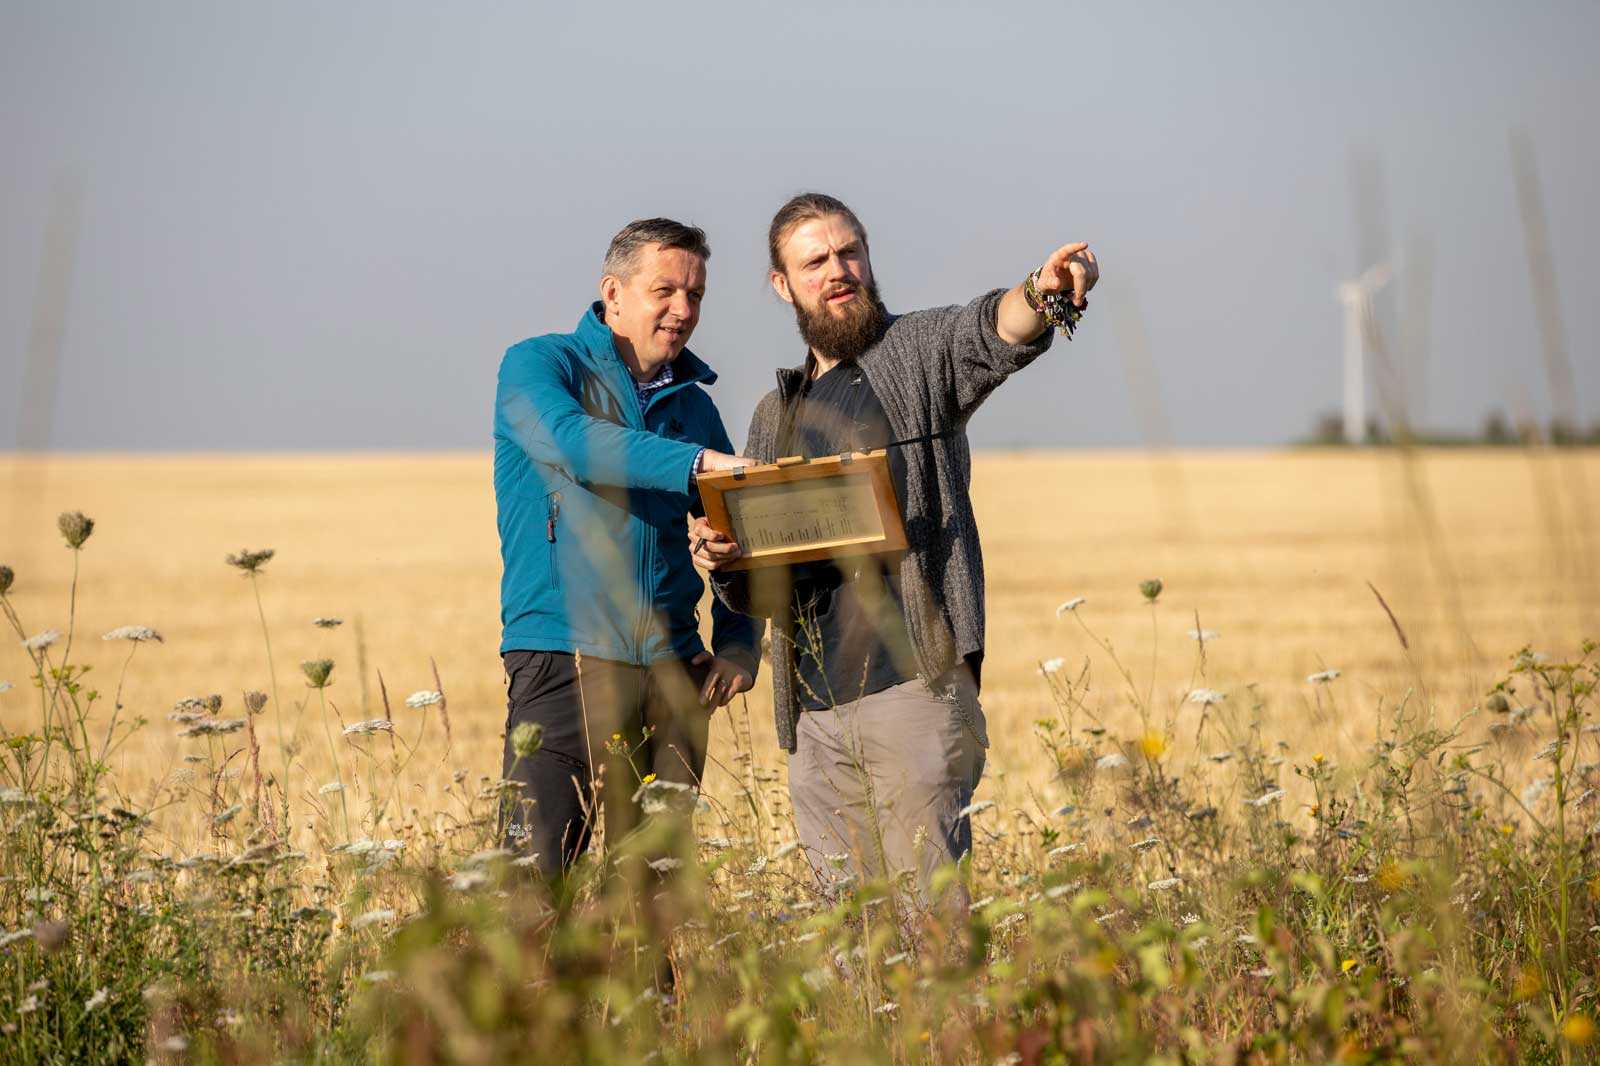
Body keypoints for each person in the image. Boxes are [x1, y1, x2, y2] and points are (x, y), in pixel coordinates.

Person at [691, 193, 1099, 908]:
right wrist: (724, 562)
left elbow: (992, 329)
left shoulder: (914, 353)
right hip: (814, 719)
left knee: (930, 932)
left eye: (850, 252)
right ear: (782, 285)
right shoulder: (772, 415)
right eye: (815, 261)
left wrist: (1042, 289)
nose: (838, 270)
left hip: (914, 692)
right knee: (851, 949)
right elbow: (761, 588)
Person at [494, 217, 758, 880]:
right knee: (533, 886)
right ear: (613, 293)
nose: (683, 309)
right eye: (664, 289)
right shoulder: (539, 365)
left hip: (674, 674)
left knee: (652, 901)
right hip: (565, 657)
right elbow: (574, 444)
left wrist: (737, 643)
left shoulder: (694, 406)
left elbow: (745, 532)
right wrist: (700, 465)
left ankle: (651, 991)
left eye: (696, 294)